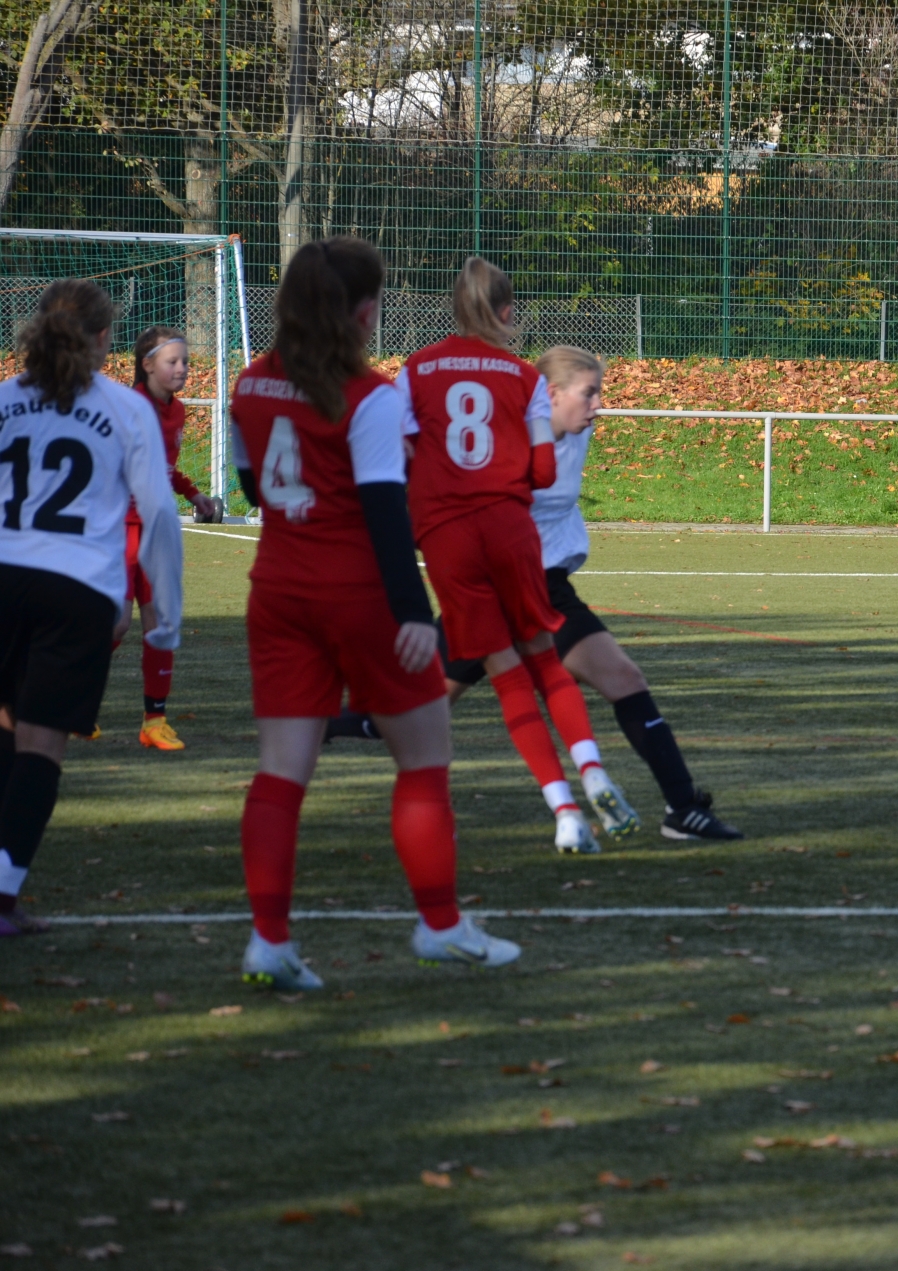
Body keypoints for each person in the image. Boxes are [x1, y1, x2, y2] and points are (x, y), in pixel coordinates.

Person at [229, 235, 517, 989]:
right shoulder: (370, 396)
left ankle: (268, 941)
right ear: (361, 311)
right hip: (359, 596)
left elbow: (253, 487)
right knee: (422, 763)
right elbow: (387, 514)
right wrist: (415, 613)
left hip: (278, 591)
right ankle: (440, 925)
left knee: (280, 774)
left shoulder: (249, 383)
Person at [329, 346, 744, 842]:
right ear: (550, 394)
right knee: (405, 713)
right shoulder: (504, 440)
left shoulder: (575, 431)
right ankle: (323, 728)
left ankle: (683, 810)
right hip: (496, 588)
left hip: (542, 586)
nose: (599, 405)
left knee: (623, 679)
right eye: (589, 393)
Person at [397, 257, 640, 853]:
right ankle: (593, 772)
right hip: (510, 529)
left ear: (453, 308)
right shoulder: (524, 377)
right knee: (546, 664)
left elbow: (399, 454)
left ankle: (565, 812)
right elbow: (542, 470)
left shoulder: (416, 369)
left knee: (506, 675)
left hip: (449, 536)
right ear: (508, 313)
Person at [0, 281, 184, 936]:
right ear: (106, 338)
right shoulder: (125, 408)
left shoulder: (5, 399)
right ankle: (4, 895)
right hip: (76, 589)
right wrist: (168, 612)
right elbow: (160, 513)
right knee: (41, 745)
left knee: (6, 726)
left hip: (5, 575)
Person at [123, 325, 220, 751]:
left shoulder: (177, 412)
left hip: (157, 529)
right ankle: (67, 703)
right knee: (112, 623)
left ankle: (154, 721)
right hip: (119, 528)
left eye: (185, 362)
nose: (182, 369)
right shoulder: (126, 408)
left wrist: (193, 493)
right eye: (173, 362)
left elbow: (165, 467)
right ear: (147, 365)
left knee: (160, 624)